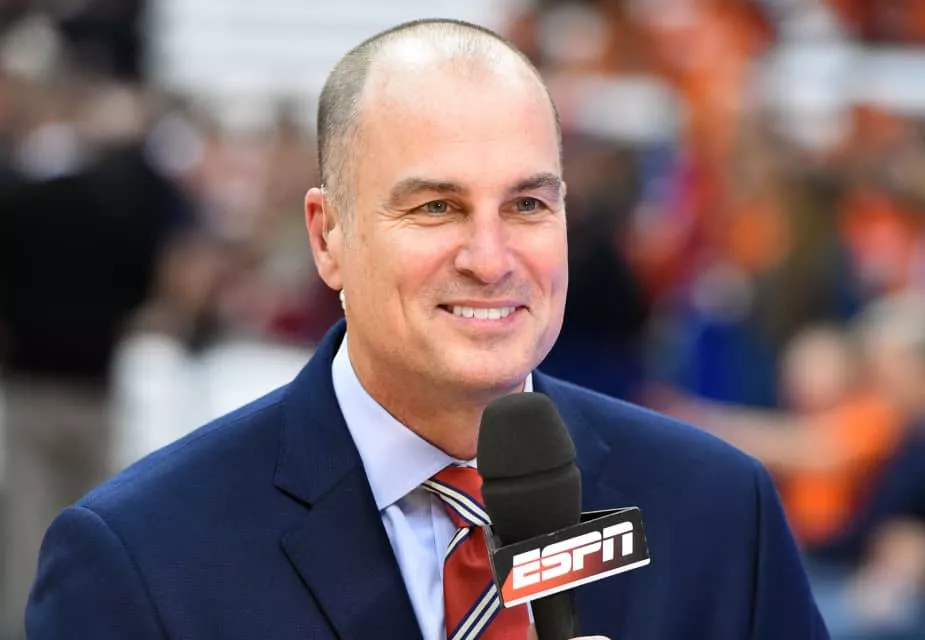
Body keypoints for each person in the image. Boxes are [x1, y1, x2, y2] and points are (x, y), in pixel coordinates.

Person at [26, 19, 827, 640]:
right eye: (436, 207)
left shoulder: (718, 511)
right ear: (327, 237)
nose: (490, 258)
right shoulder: (142, 557)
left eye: (527, 205)